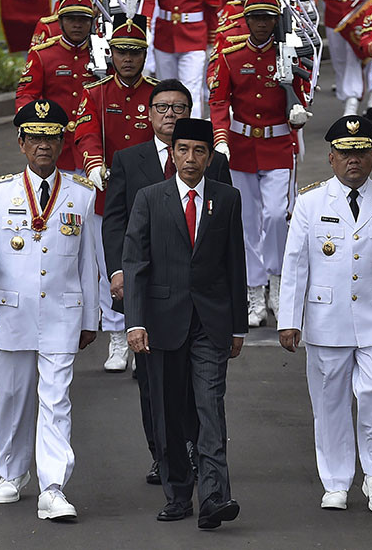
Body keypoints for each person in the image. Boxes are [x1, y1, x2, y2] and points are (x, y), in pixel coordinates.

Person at [0, 99, 99, 522]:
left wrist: (91, 318)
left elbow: (89, 262)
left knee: (56, 401)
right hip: (10, 314)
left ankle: (53, 487)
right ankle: (11, 471)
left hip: (62, 314)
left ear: (62, 143)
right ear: (21, 143)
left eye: (52, 137)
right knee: (12, 398)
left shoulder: (82, 193)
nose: (44, 145)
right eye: (36, 138)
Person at [277, 115, 372, 514]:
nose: (353, 160)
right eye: (345, 153)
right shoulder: (310, 202)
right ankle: (336, 481)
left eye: (360, 152)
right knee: (329, 402)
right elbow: (295, 264)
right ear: (331, 158)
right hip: (326, 319)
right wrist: (290, 319)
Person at [103, 81, 231, 486]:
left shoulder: (213, 162)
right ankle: (162, 453)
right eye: (162, 107)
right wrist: (118, 271)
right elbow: (115, 220)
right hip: (149, 289)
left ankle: (193, 449)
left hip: (199, 295)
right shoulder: (128, 159)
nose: (170, 114)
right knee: (153, 383)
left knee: (198, 384)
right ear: (149, 113)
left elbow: (224, 228)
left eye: (179, 107)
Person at [123, 117, 246, 529]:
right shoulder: (149, 198)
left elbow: (235, 263)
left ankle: (214, 496)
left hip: (210, 322)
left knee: (210, 407)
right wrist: (135, 322)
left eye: (199, 151)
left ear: (209, 157)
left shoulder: (226, 199)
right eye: (183, 150)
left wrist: (238, 326)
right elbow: (135, 263)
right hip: (161, 322)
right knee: (169, 410)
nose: (190, 158)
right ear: (172, 154)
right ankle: (178, 493)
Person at [208, 0, 309, 325]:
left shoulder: (290, 53)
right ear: (247, 20)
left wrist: (298, 108)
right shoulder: (231, 56)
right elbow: (218, 101)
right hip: (241, 145)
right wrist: (220, 139)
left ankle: (277, 281)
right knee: (248, 222)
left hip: (278, 144)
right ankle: (254, 290)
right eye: (256, 18)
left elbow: (303, 93)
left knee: (276, 215)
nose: (262, 24)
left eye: (268, 17)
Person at [73, 2, 157, 372]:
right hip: (106, 194)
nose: (127, 59)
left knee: (148, 264)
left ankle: (144, 331)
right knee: (110, 267)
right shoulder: (95, 93)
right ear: (111, 53)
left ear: (144, 55)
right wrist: (93, 163)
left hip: (149, 196)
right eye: (121, 52)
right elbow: (85, 132)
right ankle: (117, 337)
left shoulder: (156, 94)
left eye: (134, 52)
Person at [16, 0, 95, 172]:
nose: (77, 25)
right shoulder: (43, 54)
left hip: (92, 148)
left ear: (91, 22)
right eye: (71, 19)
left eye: (83, 19)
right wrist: (34, 126)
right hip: (55, 146)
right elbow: (26, 95)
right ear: (60, 22)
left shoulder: (104, 54)